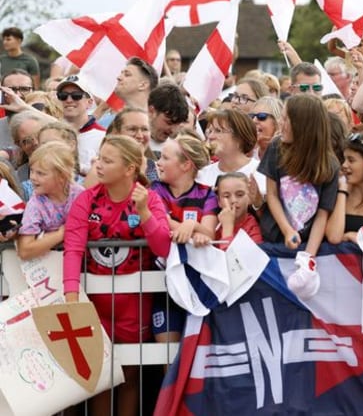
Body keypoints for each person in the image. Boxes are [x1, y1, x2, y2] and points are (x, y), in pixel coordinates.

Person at [63, 135, 171, 416]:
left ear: (129, 168)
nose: (97, 164)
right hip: (96, 304)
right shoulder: (87, 200)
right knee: (103, 379)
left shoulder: (151, 199)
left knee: (129, 376)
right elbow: (73, 248)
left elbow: (162, 247)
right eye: (99, 157)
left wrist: (144, 212)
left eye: (107, 160)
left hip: (134, 305)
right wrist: (71, 295)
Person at [150, 133, 218, 344]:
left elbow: (209, 233)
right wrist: (188, 229)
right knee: (167, 355)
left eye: (165, 158)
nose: (158, 163)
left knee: (194, 352)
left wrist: (192, 225)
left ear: (186, 165)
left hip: (197, 284)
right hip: (163, 285)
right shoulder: (155, 190)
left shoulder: (207, 194)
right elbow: (161, 221)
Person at [258, 94, 338, 254]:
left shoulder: (330, 165)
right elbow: (272, 195)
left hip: (309, 243)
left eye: (286, 119)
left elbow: (322, 214)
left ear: (303, 125)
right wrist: (287, 230)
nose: (280, 123)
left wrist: (309, 255)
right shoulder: (276, 148)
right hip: (273, 239)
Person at [15, 142, 84, 260]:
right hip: (49, 266)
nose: (32, 177)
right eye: (32, 171)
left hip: (83, 264)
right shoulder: (36, 203)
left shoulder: (80, 195)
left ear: (62, 176)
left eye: (40, 173)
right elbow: (25, 250)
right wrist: (60, 234)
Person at [198, 109, 265, 209]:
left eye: (218, 131)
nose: (211, 136)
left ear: (239, 138)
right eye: (210, 131)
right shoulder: (202, 175)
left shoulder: (261, 172)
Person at [56, 75, 105, 176]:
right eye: (63, 95)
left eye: (76, 95)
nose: (69, 100)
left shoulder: (104, 136)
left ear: (89, 102)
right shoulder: (51, 133)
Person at [214, 172, 264, 246]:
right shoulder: (213, 222)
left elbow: (231, 256)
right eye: (227, 196)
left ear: (249, 197)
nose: (233, 200)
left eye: (240, 195)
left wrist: (227, 227)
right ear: (219, 201)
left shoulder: (253, 227)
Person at [147, 83, 190, 157]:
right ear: (151, 111)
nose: (172, 130)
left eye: (177, 124)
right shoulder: (128, 141)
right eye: (169, 122)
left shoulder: (179, 152)